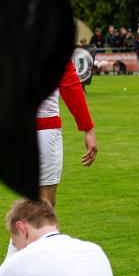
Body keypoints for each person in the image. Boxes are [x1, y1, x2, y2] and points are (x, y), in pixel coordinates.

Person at [35, 61, 98, 208]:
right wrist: (88, 128)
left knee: (29, 202)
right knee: (45, 205)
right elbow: (69, 83)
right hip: (44, 129)